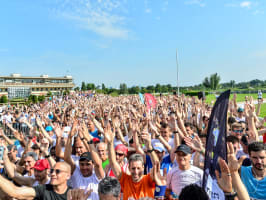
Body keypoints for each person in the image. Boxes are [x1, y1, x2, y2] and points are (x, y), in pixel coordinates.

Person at [0, 161, 71, 200]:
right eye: (52, 171)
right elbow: (15, 192)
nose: (52, 174)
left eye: (58, 171)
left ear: (68, 176)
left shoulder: (73, 194)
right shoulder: (43, 189)